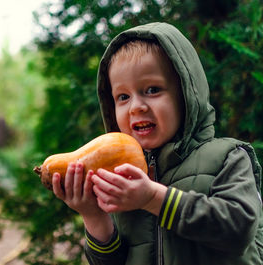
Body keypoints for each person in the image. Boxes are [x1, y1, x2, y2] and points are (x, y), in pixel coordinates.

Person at [52, 22, 263, 265]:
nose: (136, 107)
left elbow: (239, 231)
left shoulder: (228, 157)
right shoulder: (122, 177)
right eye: (123, 97)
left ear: (186, 93)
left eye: (152, 90)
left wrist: (153, 198)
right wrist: (94, 217)